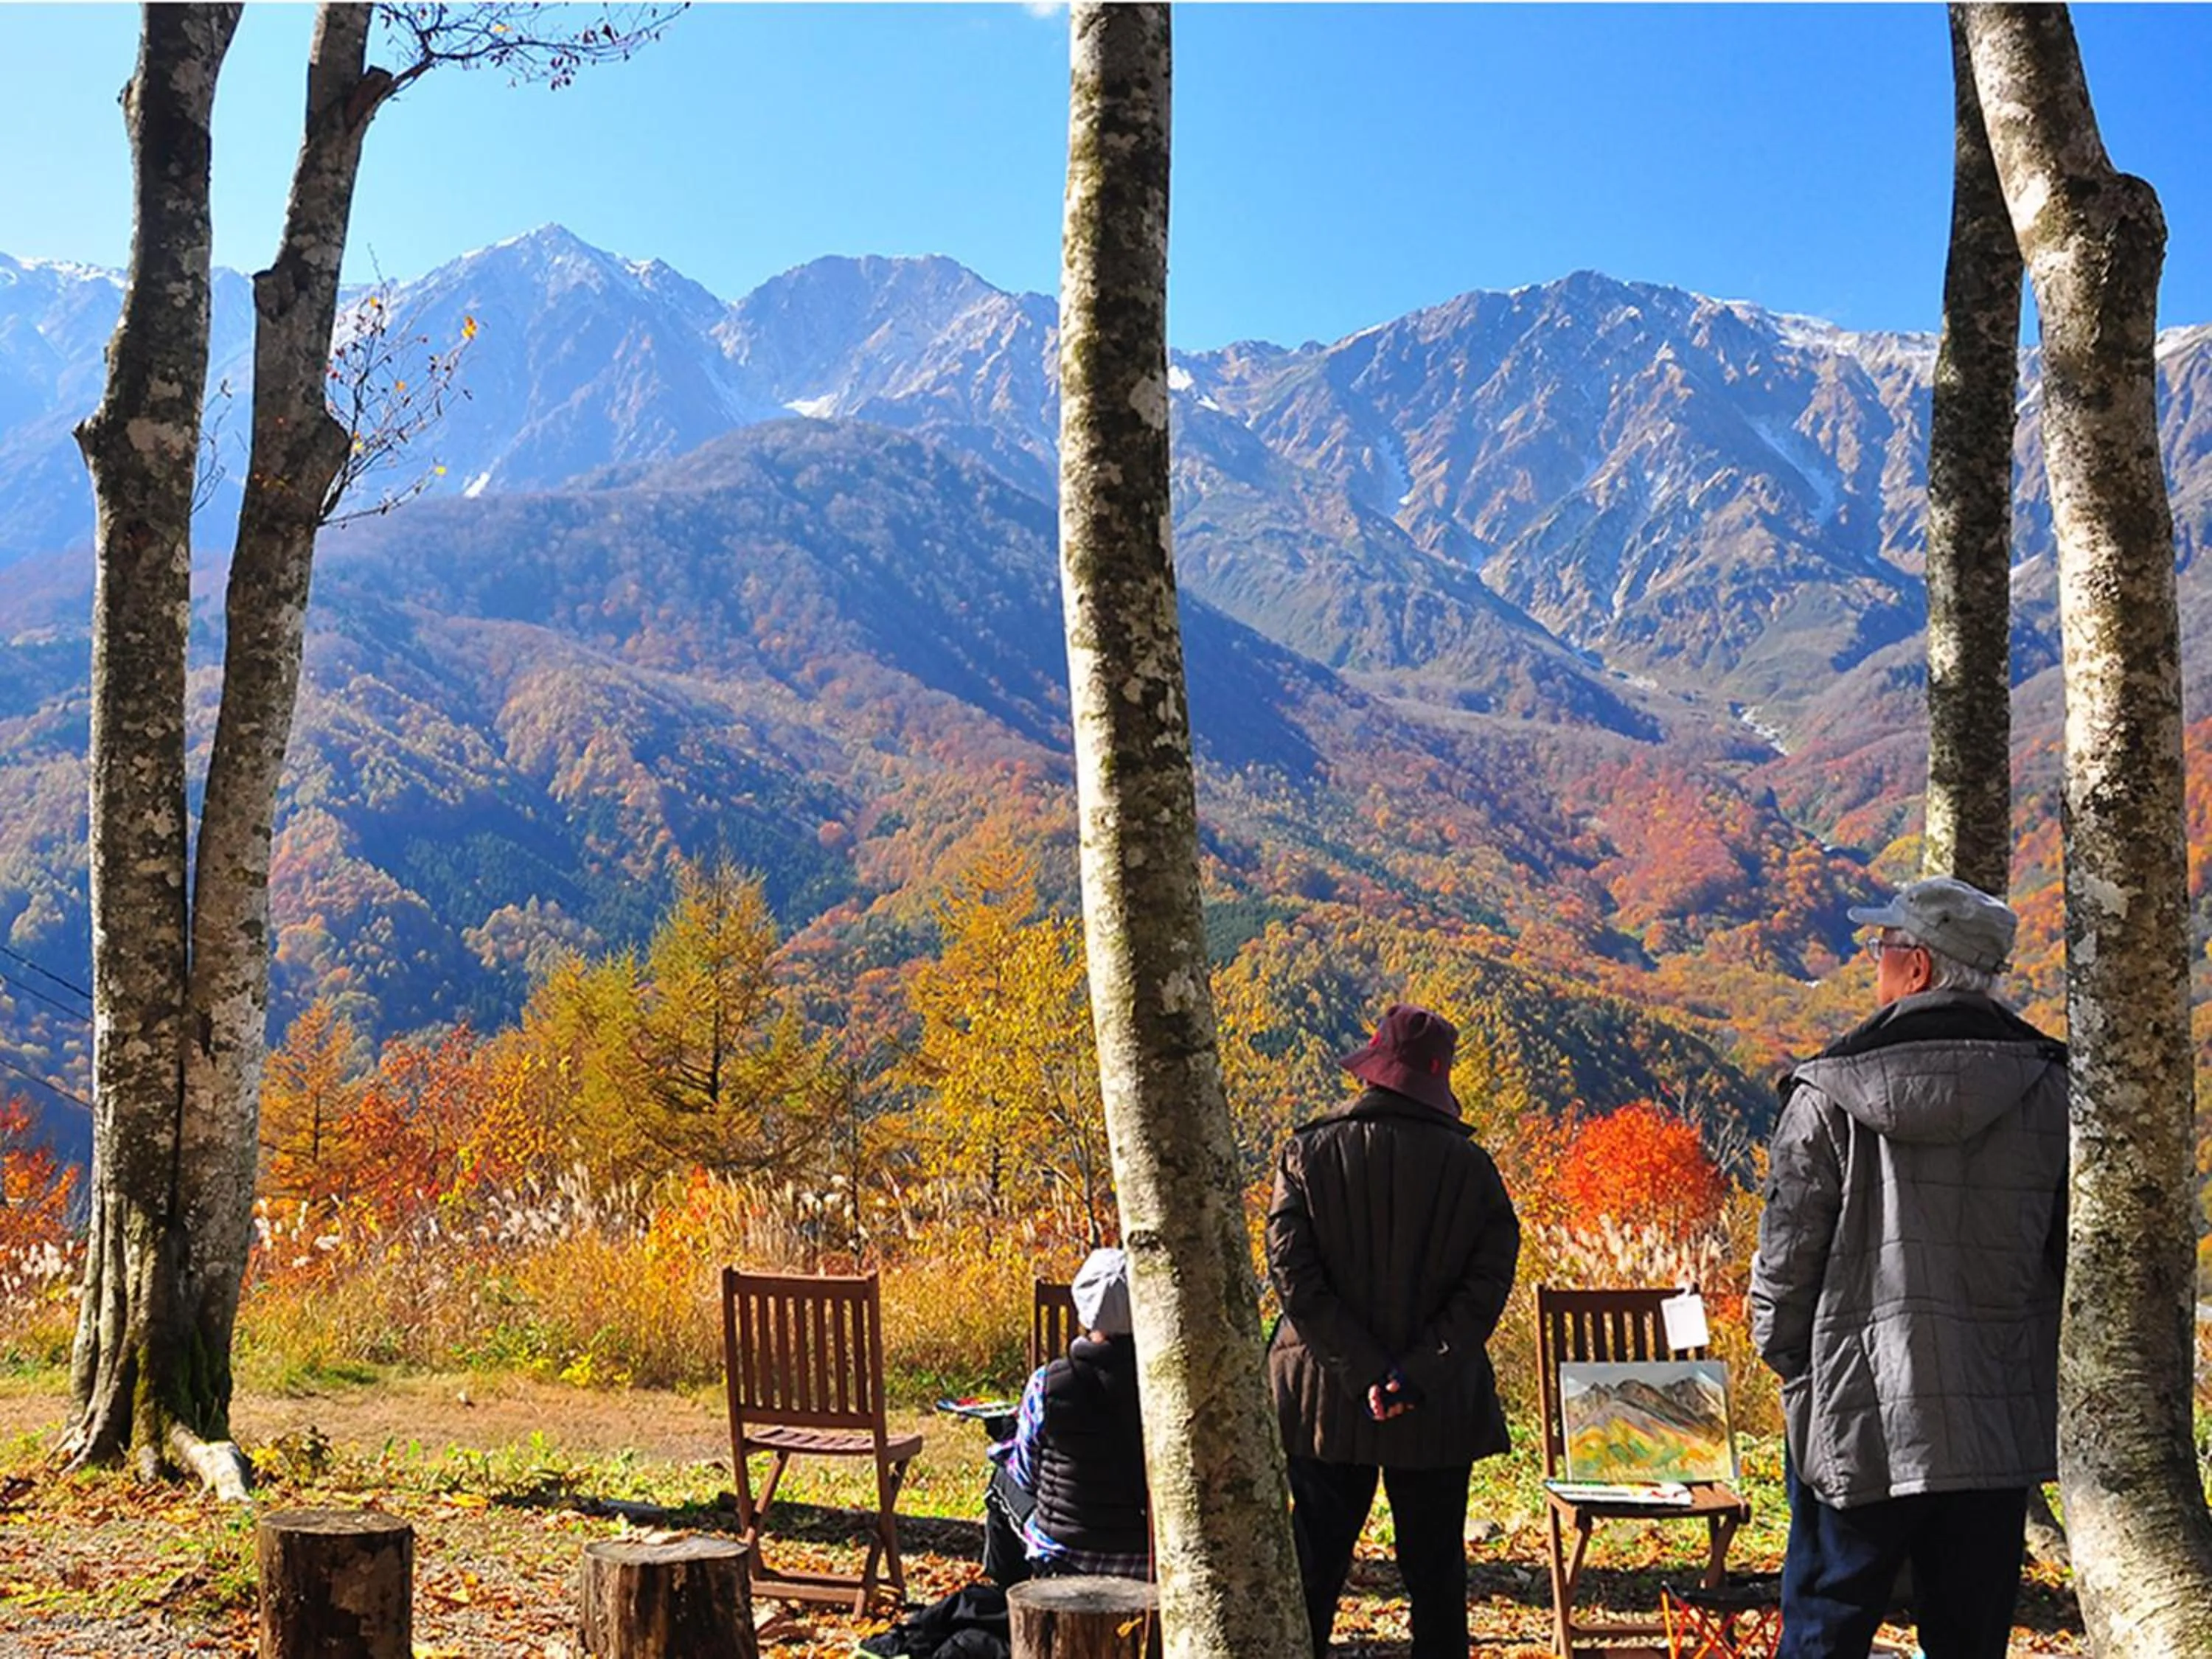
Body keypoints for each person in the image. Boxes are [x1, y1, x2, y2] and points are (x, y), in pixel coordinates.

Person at [1751, 876, 2067, 1659]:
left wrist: (1797, 1370)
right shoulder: (2054, 1089)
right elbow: (2068, 1260)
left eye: (1884, 948)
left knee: (1825, 1629)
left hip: (1857, 1413)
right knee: (1969, 1638)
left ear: (1919, 968)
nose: (1875, 962)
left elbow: (1786, 1266)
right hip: (1994, 1423)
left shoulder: (1830, 1092)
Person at [1266, 1001, 1521, 1659]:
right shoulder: (1474, 1170)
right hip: (1436, 1408)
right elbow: (1486, 1286)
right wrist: (1413, 1373)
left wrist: (1362, 1371)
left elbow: (1294, 1276)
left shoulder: (1309, 1152)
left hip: (1323, 1396)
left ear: (1374, 1070)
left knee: (1313, 1573)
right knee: (1436, 1579)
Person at [982, 1246, 1150, 1585]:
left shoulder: (1048, 1383)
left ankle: (1003, 1594)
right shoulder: (1169, 1388)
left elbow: (1026, 1475)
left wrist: (1005, 1440)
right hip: (1152, 1554)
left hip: (1067, 1555)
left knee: (1001, 1482)